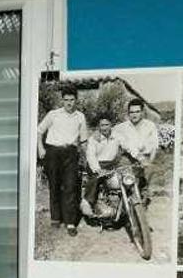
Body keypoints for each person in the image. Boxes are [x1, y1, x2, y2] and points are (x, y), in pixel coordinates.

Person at [37, 86, 88, 236]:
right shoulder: (53, 114)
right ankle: (55, 218)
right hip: (53, 152)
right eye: (66, 100)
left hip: (71, 153)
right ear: (62, 100)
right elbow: (39, 131)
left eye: (72, 100)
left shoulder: (80, 117)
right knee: (54, 185)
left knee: (71, 186)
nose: (69, 103)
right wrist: (41, 148)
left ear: (76, 100)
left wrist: (87, 158)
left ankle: (70, 222)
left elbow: (84, 140)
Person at [82, 114, 124, 216]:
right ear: (99, 127)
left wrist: (139, 156)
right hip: (96, 164)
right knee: (96, 178)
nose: (104, 127)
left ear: (111, 125)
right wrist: (97, 169)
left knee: (124, 179)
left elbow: (128, 146)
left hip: (111, 164)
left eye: (107, 125)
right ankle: (87, 202)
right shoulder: (94, 139)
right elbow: (91, 155)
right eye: (102, 125)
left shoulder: (117, 136)